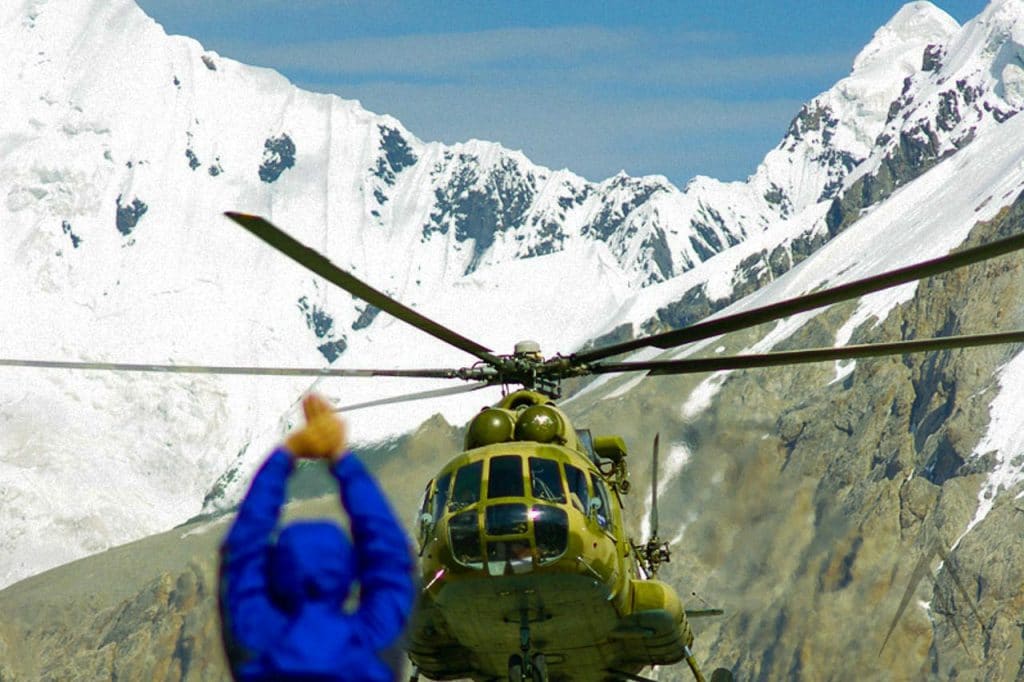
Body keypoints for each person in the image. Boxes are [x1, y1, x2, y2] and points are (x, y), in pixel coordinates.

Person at [219, 393, 415, 681]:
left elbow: (242, 553)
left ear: (273, 572)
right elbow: (391, 557)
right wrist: (342, 459)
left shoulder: (258, 642)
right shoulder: (370, 643)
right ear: (349, 572)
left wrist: (285, 455)